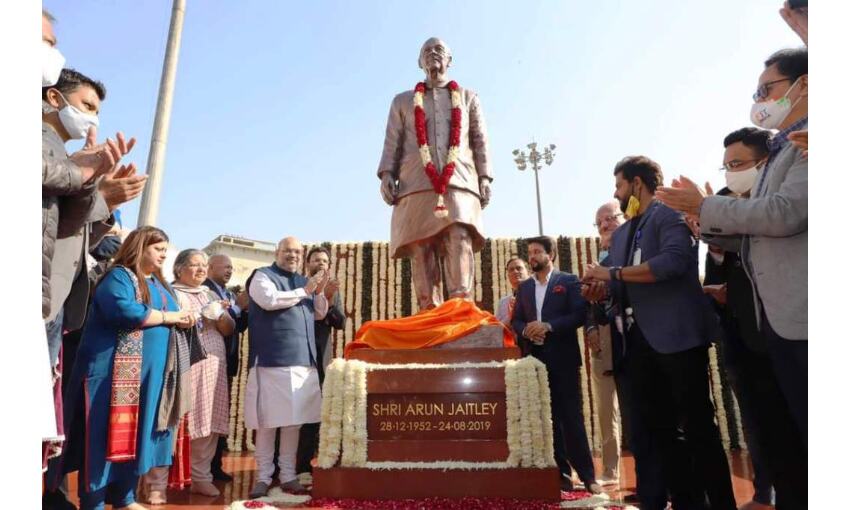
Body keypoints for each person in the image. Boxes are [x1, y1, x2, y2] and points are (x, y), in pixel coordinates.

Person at [655, 48, 808, 447]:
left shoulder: (812, 142)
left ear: (804, 85)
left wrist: (706, 206)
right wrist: (706, 223)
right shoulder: (782, 150)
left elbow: (785, 214)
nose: (759, 101)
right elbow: (757, 235)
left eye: (766, 90)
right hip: (778, 321)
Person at [583, 156, 735, 510]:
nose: (616, 194)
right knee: (663, 434)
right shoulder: (623, 234)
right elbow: (617, 287)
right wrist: (599, 290)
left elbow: (673, 263)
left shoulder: (669, 215)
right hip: (638, 347)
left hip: (678, 338)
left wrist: (612, 275)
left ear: (637, 183)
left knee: (699, 428)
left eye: (619, 185)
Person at [48, 227, 195, 510]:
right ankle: (93, 501)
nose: (163, 254)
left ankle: (124, 497)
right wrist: (170, 317)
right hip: (111, 377)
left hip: (149, 379)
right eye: (158, 248)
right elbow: (124, 311)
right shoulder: (119, 276)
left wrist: (184, 320)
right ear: (139, 247)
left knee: (137, 437)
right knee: (102, 438)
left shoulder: (160, 284)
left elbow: (170, 316)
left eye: (165, 249)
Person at [378, 37, 492, 310]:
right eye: (427, 51)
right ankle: (429, 311)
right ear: (420, 62)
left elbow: (479, 139)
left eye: (439, 49)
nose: (433, 54)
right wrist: (387, 173)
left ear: (450, 60)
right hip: (415, 183)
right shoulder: (402, 101)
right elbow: (392, 140)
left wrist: (485, 177)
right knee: (421, 247)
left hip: (460, 181)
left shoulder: (468, 97)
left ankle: (461, 310)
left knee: (459, 238)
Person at [144, 250, 235, 501]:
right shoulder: (169, 292)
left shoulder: (210, 294)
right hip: (180, 364)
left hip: (212, 366)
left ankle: (201, 478)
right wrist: (195, 316)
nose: (201, 269)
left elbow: (229, 329)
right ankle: (157, 484)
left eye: (204, 265)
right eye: (195, 265)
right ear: (179, 268)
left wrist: (219, 315)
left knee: (207, 422)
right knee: (170, 420)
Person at [511, 237, 600, 494]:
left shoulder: (568, 281)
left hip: (563, 359)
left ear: (551, 255)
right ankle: (562, 476)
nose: (532, 256)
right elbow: (517, 320)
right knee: (548, 419)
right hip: (535, 361)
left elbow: (579, 314)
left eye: (537, 251)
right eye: (530, 252)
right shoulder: (525, 287)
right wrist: (527, 330)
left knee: (571, 418)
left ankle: (588, 476)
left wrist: (549, 326)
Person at [245, 237, 331, 498]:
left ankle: (288, 475)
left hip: (303, 362)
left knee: (294, 423)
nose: (292, 255)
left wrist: (319, 292)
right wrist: (305, 290)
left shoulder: (303, 282)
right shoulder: (262, 276)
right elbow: (269, 300)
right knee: (268, 423)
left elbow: (319, 314)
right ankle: (263, 477)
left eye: (297, 252)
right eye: (288, 251)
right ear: (277, 252)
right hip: (272, 361)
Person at [584, 201, 625, 486]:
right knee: (605, 409)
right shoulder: (596, 265)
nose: (605, 225)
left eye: (610, 218)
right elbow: (588, 307)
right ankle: (610, 470)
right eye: (600, 223)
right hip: (603, 345)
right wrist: (590, 328)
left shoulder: (635, 253)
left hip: (633, 340)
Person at [295, 246, 345, 476]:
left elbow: (340, 323)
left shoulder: (332, 289)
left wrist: (330, 300)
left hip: (321, 359)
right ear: (308, 264)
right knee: (295, 411)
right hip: (297, 356)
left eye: (325, 261)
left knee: (316, 411)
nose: (321, 264)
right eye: (316, 260)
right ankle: (286, 463)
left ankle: (307, 462)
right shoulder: (298, 286)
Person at [204, 254, 249, 481]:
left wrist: (245, 309)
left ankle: (215, 465)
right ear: (210, 267)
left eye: (232, 267)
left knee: (221, 414)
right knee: (206, 414)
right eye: (226, 267)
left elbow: (238, 327)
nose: (230, 271)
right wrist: (238, 308)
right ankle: (202, 466)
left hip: (227, 361)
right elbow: (216, 321)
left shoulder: (229, 294)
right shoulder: (205, 290)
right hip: (208, 360)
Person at [495, 257, 529, 326]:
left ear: (528, 271)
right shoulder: (503, 302)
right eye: (511, 270)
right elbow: (497, 328)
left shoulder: (538, 294)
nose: (515, 272)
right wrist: (510, 317)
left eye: (519, 268)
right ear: (508, 276)